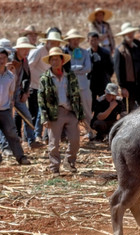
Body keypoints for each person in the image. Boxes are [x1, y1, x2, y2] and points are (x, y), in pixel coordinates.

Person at [38, 47, 84, 176]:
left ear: (62, 60)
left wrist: (80, 114)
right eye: (52, 59)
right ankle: (54, 167)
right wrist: (44, 117)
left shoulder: (70, 76)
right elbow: (40, 99)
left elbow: (77, 95)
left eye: (57, 59)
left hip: (70, 111)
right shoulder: (45, 78)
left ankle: (69, 162)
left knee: (75, 140)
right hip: (54, 113)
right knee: (54, 142)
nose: (54, 62)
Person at [28, 31, 65, 141]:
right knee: (37, 112)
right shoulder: (39, 51)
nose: (54, 44)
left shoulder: (56, 53)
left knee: (45, 111)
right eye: (52, 42)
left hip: (49, 86)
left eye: (56, 43)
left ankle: (45, 135)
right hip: (34, 85)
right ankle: (35, 135)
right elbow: (29, 66)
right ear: (47, 42)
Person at [10, 37, 44, 149]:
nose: (26, 51)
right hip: (6, 94)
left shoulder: (24, 61)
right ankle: (6, 146)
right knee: (6, 121)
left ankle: (32, 141)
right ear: (18, 49)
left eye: (28, 49)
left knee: (27, 117)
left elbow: (27, 77)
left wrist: (25, 92)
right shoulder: (10, 61)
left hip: (18, 93)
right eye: (24, 49)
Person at [0, 47, 31, 165]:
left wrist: (11, 104)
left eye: (3, 58)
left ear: (7, 59)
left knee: (12, 133)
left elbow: (11, 92)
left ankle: (21, 157)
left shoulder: (11, 76)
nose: (1, 61)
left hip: (5, 109)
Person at [114, 23, 140, 112]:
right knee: (130, 110)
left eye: (131, 32)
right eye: (128, 33)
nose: (130, 35)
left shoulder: (139, 45)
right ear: (124, 35)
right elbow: (118, 70)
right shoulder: (120, 49)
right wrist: (122, 87)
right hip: (129, 85)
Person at [63, 29, 94, 139]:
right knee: (70, 110)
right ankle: (70, 134)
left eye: (77, 39)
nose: (75, 41)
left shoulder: (84, 52)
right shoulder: (64, 52)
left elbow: (88, 68)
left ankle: (90, 131)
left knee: (86, 108)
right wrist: (78, 68)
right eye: (73, 39)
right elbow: (65, 70)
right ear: (69, 40)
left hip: (83, 85)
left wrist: (73, 69)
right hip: (69, 86)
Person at [88, 31, 114, 110]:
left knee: (105, 102)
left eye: (95, 40)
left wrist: (107, 76)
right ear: (88, 41)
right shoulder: (86, 54)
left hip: (103, 82)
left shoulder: (105, 53)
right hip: (91, 83)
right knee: (91, 103)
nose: (93, 42)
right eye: (91, 40)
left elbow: (111, 67)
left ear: (98, 40)